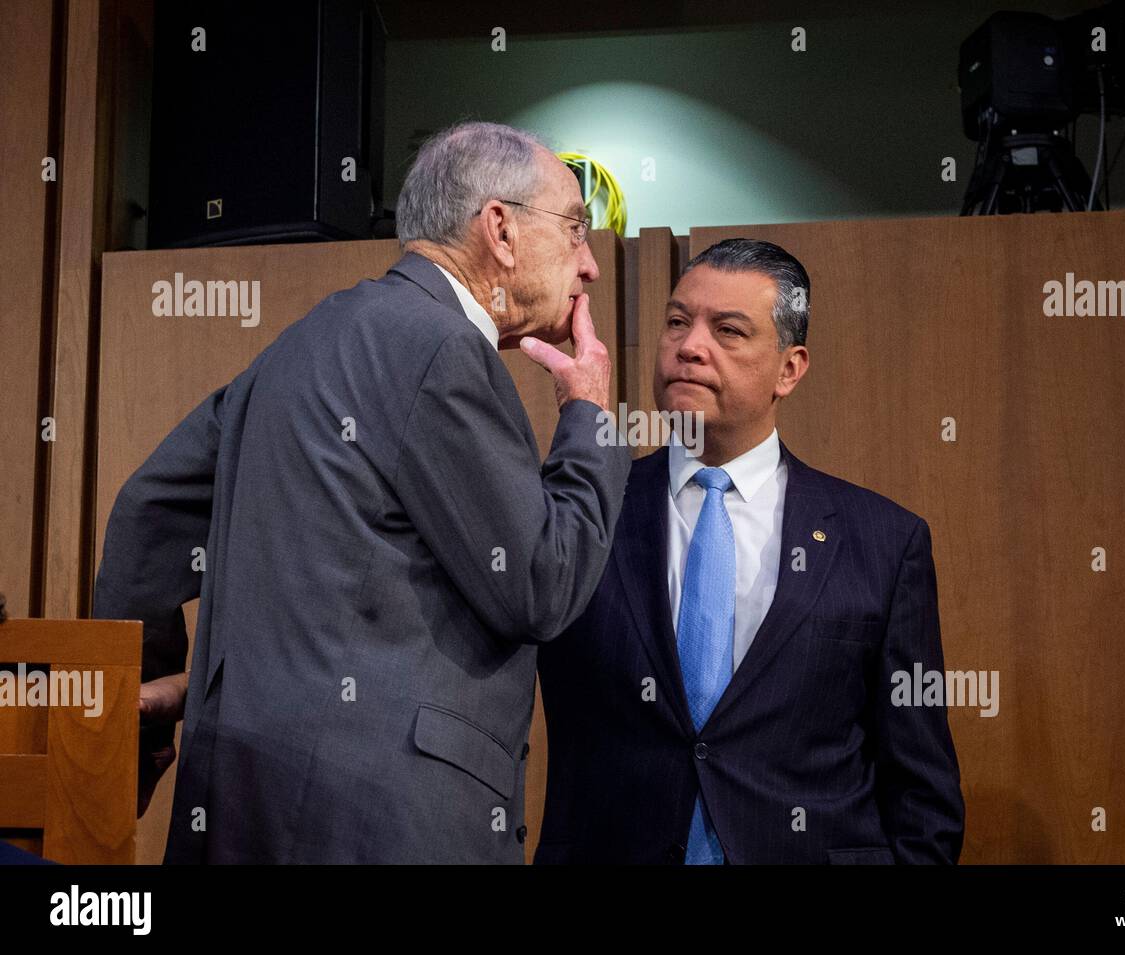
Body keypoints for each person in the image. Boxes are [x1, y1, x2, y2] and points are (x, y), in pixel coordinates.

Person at [93, 121, 631, 863]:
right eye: (575, 228)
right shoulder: (445, 348)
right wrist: (590, 418)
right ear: (500, 229)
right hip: (384, 827)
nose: (590, 265)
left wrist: (147, 720)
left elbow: (146, 511)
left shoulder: (296, 346)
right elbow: (541, 581)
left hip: (237, 808)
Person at [536, 239, 964, 864]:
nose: (689, 346)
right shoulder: (585, 512)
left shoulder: (883, 542)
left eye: (728, 331)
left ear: (789, 369)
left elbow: (921, 789)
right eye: (677, 322)